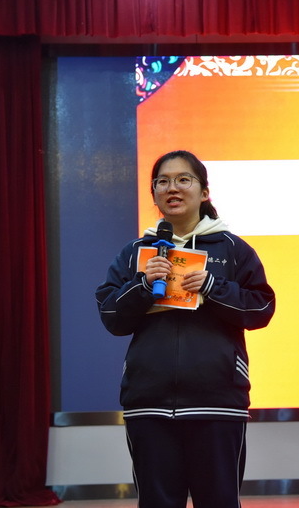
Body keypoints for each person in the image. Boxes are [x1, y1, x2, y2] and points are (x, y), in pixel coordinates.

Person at [95, 150, 275, 508]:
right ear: (154, 193)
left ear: (204, 192)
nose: (172, 188)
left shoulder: (233, 249)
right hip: (148, 403)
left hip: (217, 402)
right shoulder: (134, 253)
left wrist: (212, 287)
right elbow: (111, 315)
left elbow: (261, 308)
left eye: (183, 179)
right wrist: (142, 286)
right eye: (162, 181)